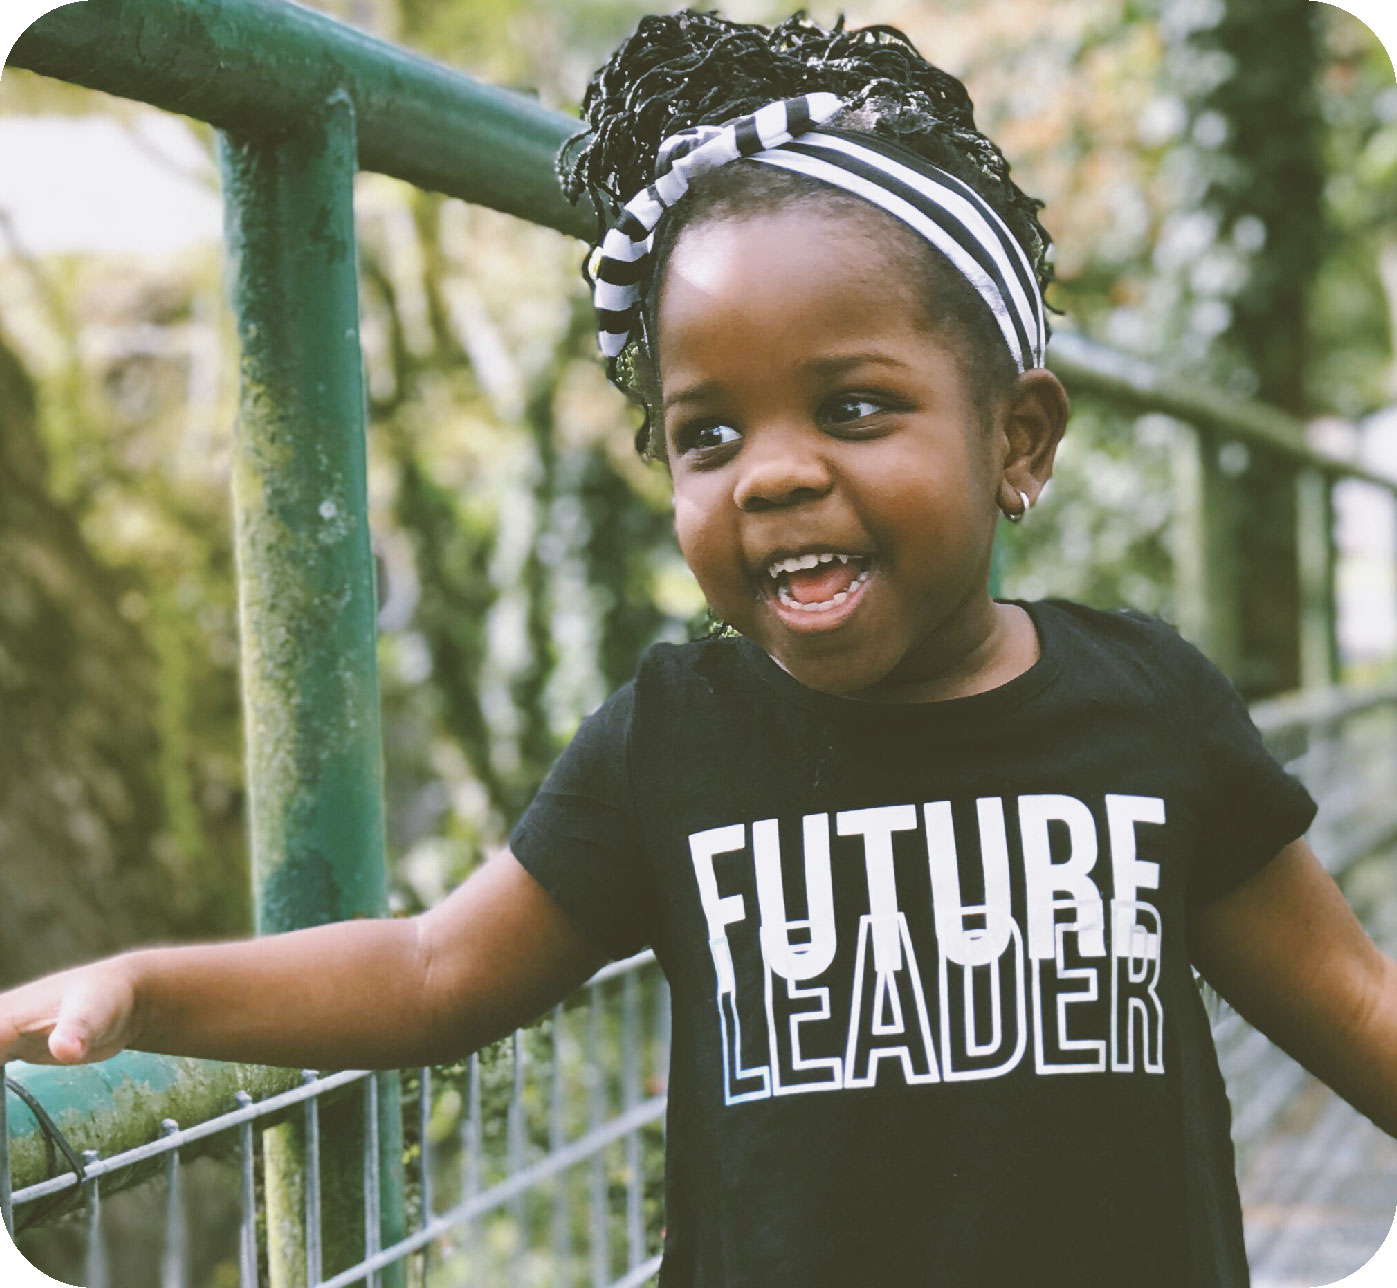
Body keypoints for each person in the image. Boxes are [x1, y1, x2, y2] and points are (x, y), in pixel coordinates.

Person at [2, 10, 1395, 1286]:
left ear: (1015, 440)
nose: (770, 476)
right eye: (707, 434)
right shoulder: (674, 739)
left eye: (852, 409)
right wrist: (148, 990)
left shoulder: (1147, 708)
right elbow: (432, 975)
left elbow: (1349, 1002)